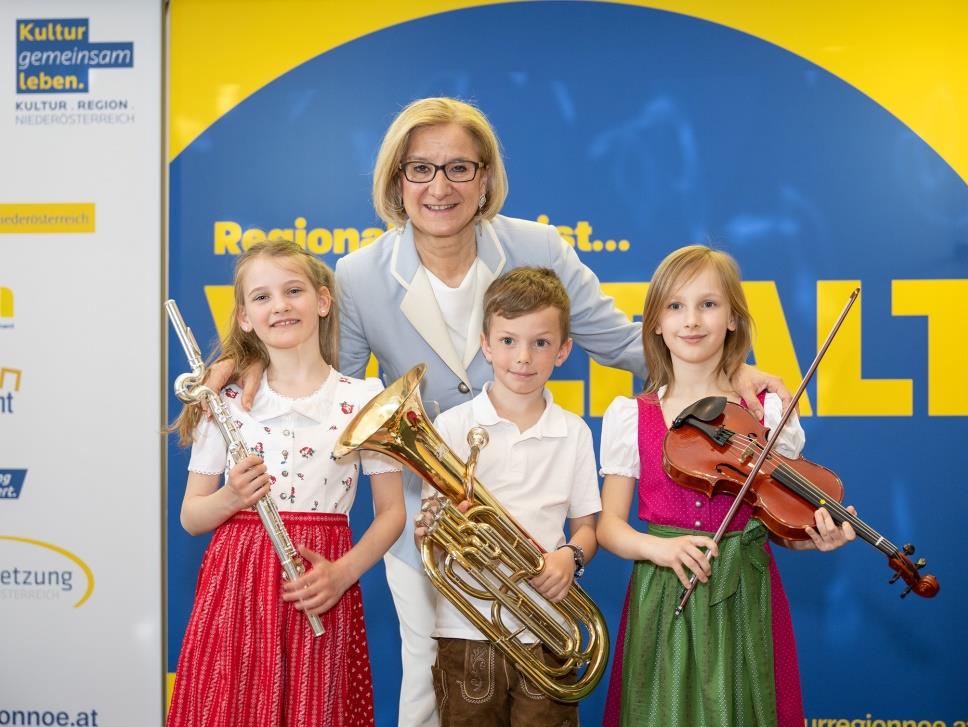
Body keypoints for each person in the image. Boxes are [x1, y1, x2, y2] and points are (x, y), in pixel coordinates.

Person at [213, 97, 790, 726]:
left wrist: (731, 370)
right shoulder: (357, 275)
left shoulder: (537, 245)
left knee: (535, 684)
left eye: (460, 167)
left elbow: (628, 344)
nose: (440, 187)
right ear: (396, 181)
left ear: (485, 177)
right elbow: (332, 384)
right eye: (420, 169)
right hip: (425, 517)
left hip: (533, 515)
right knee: (425, 681)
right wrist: (242, 360)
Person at [596, 245, 856, 727]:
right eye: (675, 306)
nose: (691, 320)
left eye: (708, 304)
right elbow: (609, 526)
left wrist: (817, 538)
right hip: (664, 593)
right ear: (654, 322)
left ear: (733, 318)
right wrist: (659, 550)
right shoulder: (631, 415)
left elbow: (783, 521)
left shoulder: (765, 411)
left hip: (746, 593)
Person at [166, 240, 405, 727]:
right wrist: (231, 498)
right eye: (261, 297)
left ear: (322, 301)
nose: (279, 305)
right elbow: (192, 516)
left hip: (320, 581)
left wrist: (343, 573)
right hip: (238, 584)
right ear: (244, 318)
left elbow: (391, 512)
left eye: (293, 290)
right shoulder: (225, 401)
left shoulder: (366, 397)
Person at [416, 267, 600, 726]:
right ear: (485, 344)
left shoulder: (574, 432)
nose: (523, 357)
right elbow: (432, 531)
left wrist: (570, 558)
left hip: (549, 629)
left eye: (540, 343)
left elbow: (587, 529)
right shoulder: (454, 428)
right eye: (508, 341)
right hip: (466, 629)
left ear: (563, 351)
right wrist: (438, 530)